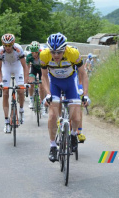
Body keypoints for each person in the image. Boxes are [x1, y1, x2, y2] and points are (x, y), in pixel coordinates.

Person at [40, 32, 91, 162]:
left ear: (65, 49)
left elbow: (83, 74)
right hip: (55, 83)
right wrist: (48, 94)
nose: (56, 55)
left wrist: (85, 95)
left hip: (70, 83)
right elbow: (44, 76)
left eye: (59, 52)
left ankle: (74, 134)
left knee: (75, 115)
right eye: (53, 52)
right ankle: (52, 146)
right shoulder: (44, 55)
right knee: (52, 116)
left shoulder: (73, 53)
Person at [0, 33, 29, 133]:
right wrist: (1, 82)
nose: (7, 47)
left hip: (17, 66)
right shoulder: (0, 51)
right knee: (5, 93)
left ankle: (21, 110)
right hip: (6, 67)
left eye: (9, 45)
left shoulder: (18, 49)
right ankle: (6, 121)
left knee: (20, 90)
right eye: (5, 45)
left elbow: (25, 67)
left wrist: (25, 82)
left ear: (13, 44)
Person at [26, 41, 45, 112]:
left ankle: (42, 103)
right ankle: (31, 100)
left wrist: (44, 79)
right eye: (32, 52)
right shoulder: (29, 56)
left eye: (36, 52)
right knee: (31, 83)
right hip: (33, 69)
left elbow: (45, 67)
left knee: (42, 87)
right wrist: (27, 78)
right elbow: (27, 68)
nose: (34, 54)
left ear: (38, 51)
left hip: (41, 70)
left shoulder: (42, 55)